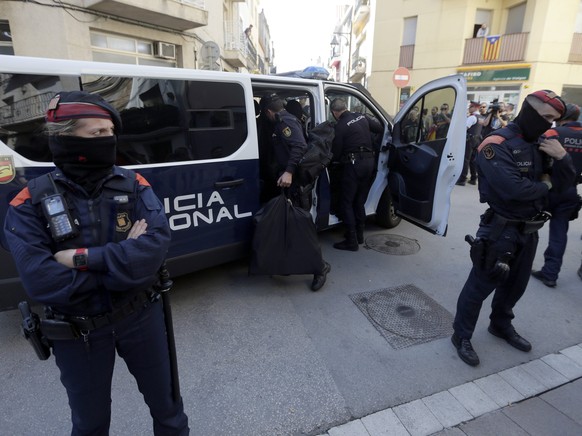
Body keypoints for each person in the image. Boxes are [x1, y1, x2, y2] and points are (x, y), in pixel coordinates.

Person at [4, 91, 190, 435]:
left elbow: (155, 247)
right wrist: (125, 268)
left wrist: (84, 259)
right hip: (78, 333)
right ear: (64, 138)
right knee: (90, 425)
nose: (109, 140)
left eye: (110, 132)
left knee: (169, 411)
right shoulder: (28, 201)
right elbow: (42, 281)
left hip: (141, 318)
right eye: (97, 133)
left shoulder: (134, 185)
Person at [451, 90, 576, 367]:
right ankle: (461, 335)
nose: (549, 125)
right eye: (545, 118)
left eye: (554, 120)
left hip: (529, 230)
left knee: (515, 286)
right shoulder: (496, 143)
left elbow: (566, 184)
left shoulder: (545, 143)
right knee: (480, 286)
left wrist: (563, 157)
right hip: (500, 230)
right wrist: (546, 184)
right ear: (530, 111)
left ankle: (500, 325)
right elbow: (513, 190)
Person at [260, 92, 331, 291]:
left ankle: (320, 267)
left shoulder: (285, 122)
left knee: (302, 228)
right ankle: (290, 263)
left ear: (268, 112)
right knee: (291, 226)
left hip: (296, 184)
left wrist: (289, 172)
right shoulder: (283, 120)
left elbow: (299, 146)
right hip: (290, 184)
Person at [531, 103, 582, 287]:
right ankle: (550, 274)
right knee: (559, 234)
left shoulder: (555, 133)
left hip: (547, 188)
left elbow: (535, 150)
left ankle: (512, 265)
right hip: (570, 191)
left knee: (527, 228)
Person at [329, 97, 383, 251]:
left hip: (353, 165)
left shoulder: (340, 126)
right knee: (359, 201)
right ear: (346, 107)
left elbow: (337, 152)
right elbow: (380, 129)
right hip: (369, 163)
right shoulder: (362, 117)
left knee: (346, 202)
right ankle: (359, 235)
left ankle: (351, 240)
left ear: (334, 112)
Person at [457, 101, 483, 186]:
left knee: (466, 159)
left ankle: (462, 180)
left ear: (475, 107)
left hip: (470, 139)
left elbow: (465, 128)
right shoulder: (481, 117)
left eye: (471, 106)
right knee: (473, 160)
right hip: (478, 139)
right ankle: (473, 179)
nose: (469, 108)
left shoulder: (472, 117)